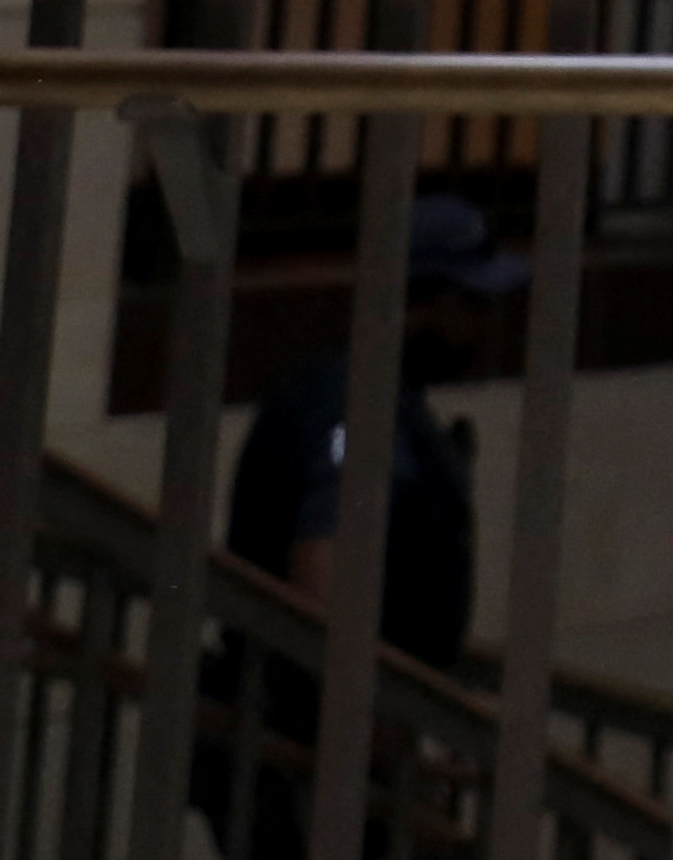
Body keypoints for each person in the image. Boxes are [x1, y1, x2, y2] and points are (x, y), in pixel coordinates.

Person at [199, 195, 523, 860]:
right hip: (302, 732)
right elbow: (324, 560)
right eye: (475, 306)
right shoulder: (357, 401)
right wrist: (365, 720)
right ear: (431, 304)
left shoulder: (378, 397)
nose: (488, 327)